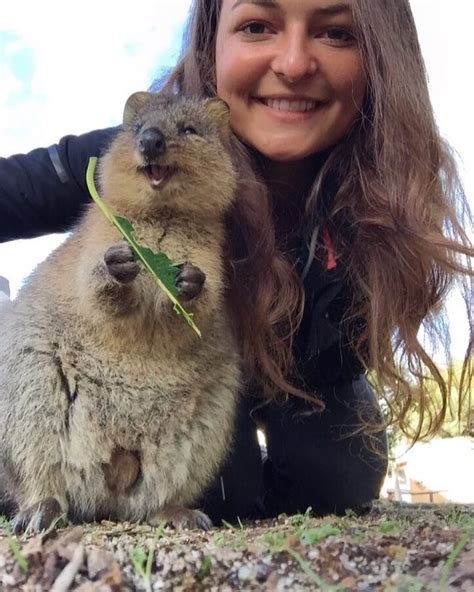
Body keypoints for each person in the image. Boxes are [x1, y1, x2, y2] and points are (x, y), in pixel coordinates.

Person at [0, 0, 472, 523]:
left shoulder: (378, 194)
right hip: (112, 362)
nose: (293, 64)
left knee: (339, 472)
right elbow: (15, 192)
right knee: (228, 488)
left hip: (276, 372)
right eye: (256, 25)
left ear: (381, 59)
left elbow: (349, 349)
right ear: (212, 46)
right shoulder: (132, 160)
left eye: (336, 33)